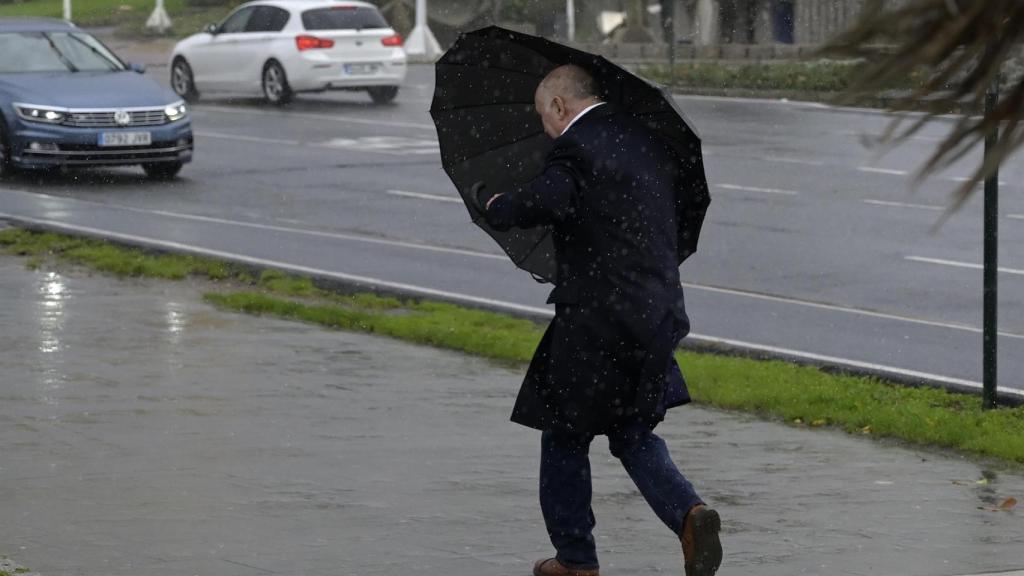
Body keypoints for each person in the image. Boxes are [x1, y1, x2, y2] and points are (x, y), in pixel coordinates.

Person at [474, 64, 722, 576]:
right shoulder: (645, 141)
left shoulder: (576, 147)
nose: (545, 127)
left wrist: (498, 204)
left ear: (561, 106)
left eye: (544, 116)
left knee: (563, 435)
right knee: (631, 431)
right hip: (658, 311)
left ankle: (576, 561)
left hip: (597, 320)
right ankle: (690, 514)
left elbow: (547, 199)